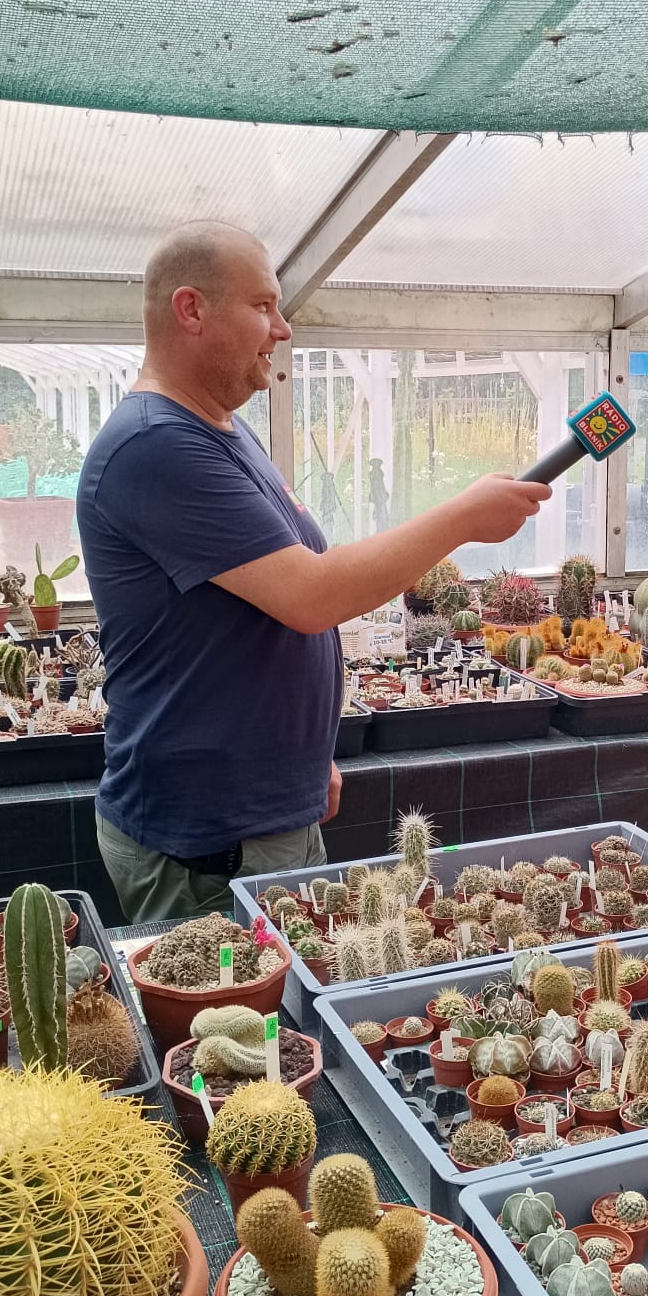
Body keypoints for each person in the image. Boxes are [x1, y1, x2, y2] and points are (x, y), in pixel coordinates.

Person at [78, 221, 549, 922]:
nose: (284, 328)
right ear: (191, 309)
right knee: (241, 999)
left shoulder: (220, 430)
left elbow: (276, 595)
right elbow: (313, 594)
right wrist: (462, 518)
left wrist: (303, 760)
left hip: (263, 816)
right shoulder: (155, 446)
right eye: (263, 305)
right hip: (207, 846)